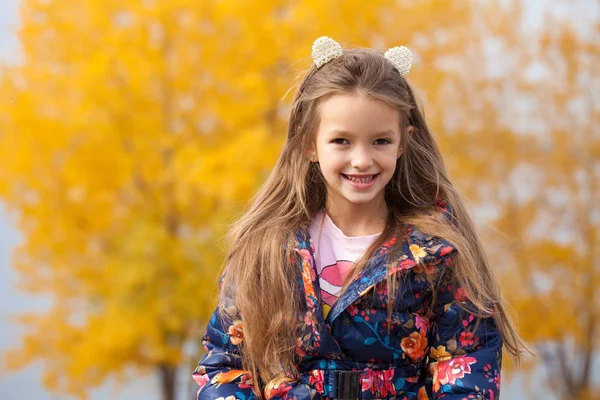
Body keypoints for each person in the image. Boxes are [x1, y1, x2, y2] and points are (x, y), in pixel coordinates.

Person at [192, 36, 527, 400]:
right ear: (309, 143)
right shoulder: (266, 250)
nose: (362, 160)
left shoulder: (437, 254)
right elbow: (225, 367)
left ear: (403, 142)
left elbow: (466, 369)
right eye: (342, 141)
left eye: (380, 141)